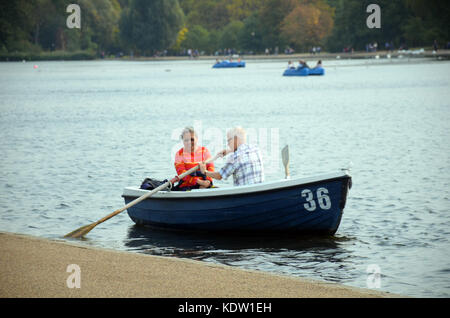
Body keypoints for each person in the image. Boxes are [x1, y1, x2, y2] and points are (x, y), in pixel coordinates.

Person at [199, 127, 264, 186]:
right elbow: (241, 151)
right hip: (259, 190)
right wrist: (229, 151)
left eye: (228, 140)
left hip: (245, 194)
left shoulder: (234, 158)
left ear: (235, 139)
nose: (227, 144)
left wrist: (205, 172)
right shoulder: (255, 148)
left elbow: (219, 176)